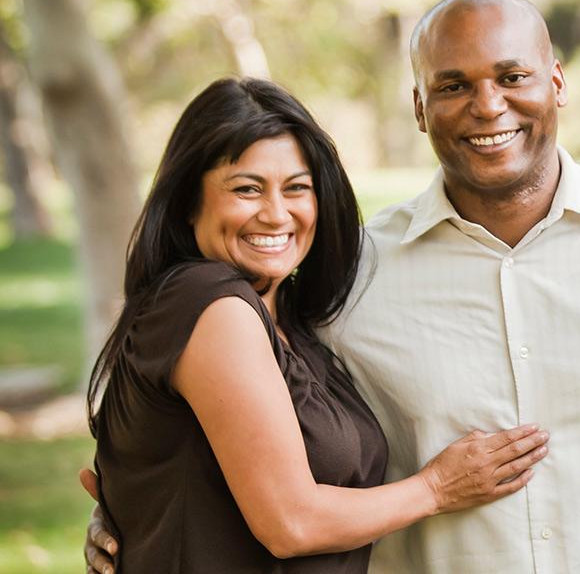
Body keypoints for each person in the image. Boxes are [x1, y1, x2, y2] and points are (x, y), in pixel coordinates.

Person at [84, 77, 549, 573]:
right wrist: (436, 487)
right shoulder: (211, 306)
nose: (276, 214)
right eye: (247, 189)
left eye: (297, 188)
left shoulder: (291, 320)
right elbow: (291, 523)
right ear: (188, 201)